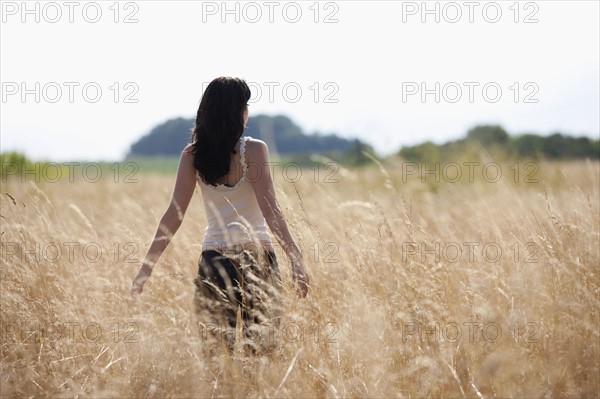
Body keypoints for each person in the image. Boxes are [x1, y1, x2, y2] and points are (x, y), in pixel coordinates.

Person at [130, 77, 309, 344]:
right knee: (260, 357)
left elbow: (173, 215)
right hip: (258, 261)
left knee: (217, 359)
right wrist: (295, 258)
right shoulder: (255, 150)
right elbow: (270, 209)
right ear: (239, 112)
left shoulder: (192, 155)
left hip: (214, 263)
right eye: (245, 105)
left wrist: (146, 267)